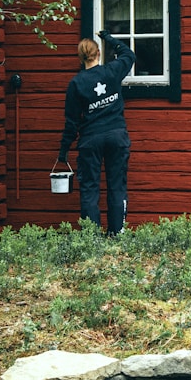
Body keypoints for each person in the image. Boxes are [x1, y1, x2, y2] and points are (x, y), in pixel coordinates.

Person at [58, 30, 135, 236]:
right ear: (98, 53)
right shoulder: (112, 71)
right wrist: (109, 38)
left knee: (90, 189)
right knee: (116, 186)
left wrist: (63, 150)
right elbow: (129, 55)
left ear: (80, 57)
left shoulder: (76, 84)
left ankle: (91, 238)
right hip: (117, 136)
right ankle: (116, 233)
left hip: (90, 140)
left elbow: (71, 122)